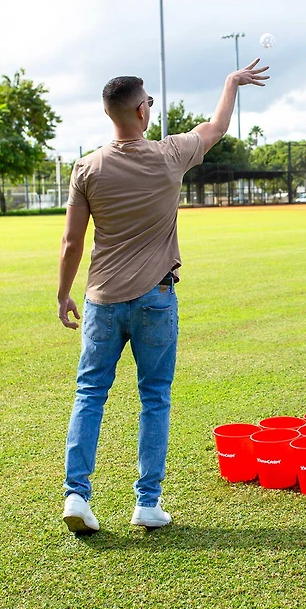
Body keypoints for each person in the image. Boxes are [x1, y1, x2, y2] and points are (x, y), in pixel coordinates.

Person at [58, 59, 269, 533]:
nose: (151, 107)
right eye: (149, 101)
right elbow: (215, 127)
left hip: (102, 300)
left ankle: (77, 494)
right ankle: (147, 503)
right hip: (156, 299)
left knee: (90, 394)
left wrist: (61, 294)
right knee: (154, 397)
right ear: (139, 110)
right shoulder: (169, 154)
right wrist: (231, 82)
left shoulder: (86, 168)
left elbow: (72, 243)